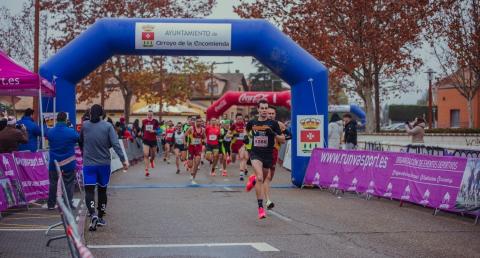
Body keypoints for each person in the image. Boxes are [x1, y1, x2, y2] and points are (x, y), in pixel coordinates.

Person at [79, 104, 128, 231]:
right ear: (102, 114)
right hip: (104, 164)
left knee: (89, 191)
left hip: (89, 164)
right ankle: (100, 217)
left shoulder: (85, 126)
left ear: (90, 113)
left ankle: (93, 214)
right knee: (102, 190)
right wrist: (123, 160)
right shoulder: (108, 126)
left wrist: (85, 153)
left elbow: (80, 141)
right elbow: (116, 144)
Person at [245, 100, 285, 219]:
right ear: (258, 109)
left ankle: (252, 179)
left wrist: (273, 133)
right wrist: (247, 138)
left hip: (268, 155)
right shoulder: (252, 122)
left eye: (265, 108)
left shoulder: (273, 124)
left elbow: (282, 139)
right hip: (255, 153)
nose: (264, 110)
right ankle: (261, 208)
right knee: (261, 178)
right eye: (261, 108)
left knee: (263, 177)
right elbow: (246, 130)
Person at [47, 112, 79, 210]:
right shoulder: (71, 132)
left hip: (54, 162)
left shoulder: (50, 132)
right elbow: (78, 139)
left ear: (57, 120)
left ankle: (51, 204)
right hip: (68, 162)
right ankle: (67, 203)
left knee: (53, 183)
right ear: (65, 120)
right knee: (68, 183)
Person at [186, 117, 205, 185]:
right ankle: (188, 164)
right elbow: (185, 135)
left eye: (200, 121)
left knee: (197, 162)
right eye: (198, 121)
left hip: (198, 148)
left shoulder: (203, 129)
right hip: (191, 147)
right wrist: (185, 143)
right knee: (190, 165)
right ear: (195, 122)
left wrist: (203, 141)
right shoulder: (191, 128)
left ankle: (193, 177)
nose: (199, 123)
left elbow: (204, 137)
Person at [230, 113, 248, 180]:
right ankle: (244, 168)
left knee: (242, 157)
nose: (240, 120)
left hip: (242, 144)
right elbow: (227, 135)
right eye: (238, 119)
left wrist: (247, 137)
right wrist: (233, 135)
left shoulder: (245, 125)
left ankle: (241, 174)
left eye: (241, 119)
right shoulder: (233, 125)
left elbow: (249, 133)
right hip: (234, 144)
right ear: (236, 119)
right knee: (233, 160)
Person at [142, 111, 160, 177]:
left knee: (153, 155)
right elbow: (142, 129)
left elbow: (159, 131)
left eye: (151, 115)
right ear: (147, 115)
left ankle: (151, 161)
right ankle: (147, 170)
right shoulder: (144, 121)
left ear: (153, 115)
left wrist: (154, 131)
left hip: (153, 140)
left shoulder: (155, 121)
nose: (149, 116)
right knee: (146, 154)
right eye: (148, 115)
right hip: (146, 140)